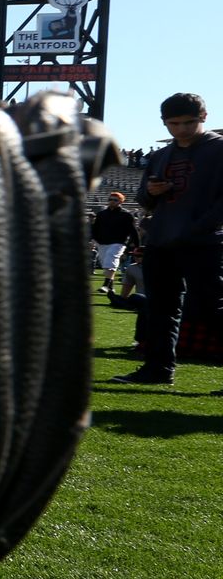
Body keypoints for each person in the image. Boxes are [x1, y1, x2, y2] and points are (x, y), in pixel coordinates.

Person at [113, 92, 223, 392]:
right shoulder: (161, 156)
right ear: (164, 123)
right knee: (160, 309)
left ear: (204, 117)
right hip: (162, 240)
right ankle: (158, 369)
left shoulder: (219, 149)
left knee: (210, 307)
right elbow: (143, 201)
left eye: (189, 122)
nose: (181, 129)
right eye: (174, 124)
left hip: (204, 241)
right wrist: (153, 192)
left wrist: (200, 228)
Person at [91, 191, 137, 294]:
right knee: (106, 264)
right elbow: (95, 228)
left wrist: (137, 245)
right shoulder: (101, 214)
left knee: (110, 258)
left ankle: (105, 285)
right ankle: (111, 287)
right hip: (102, 242)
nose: (112, 202)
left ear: (121, 201)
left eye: (115, 200)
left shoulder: (126, 215)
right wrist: (93, 240)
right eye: (110, 199)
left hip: (118, 242)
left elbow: (133, 231)